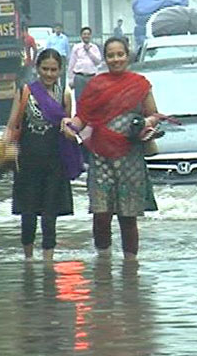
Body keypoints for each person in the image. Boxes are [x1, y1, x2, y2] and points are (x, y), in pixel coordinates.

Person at [61, 37, 159, 262]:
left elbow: (154, 114)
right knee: (101, 214)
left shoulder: (141, 84)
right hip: (100, 156)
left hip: (130, 157)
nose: (116, 59)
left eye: (120, 54)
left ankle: (130, 267)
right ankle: (103, 264)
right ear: (105, 59)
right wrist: (70, 127)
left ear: (128, 56)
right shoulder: (96, 85)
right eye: (111, 55)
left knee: (128, 215)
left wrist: (147, 123)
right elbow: (82, 117)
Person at [4, 48, 75, 261]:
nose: (49, 74)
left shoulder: (65, 95)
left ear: (60, 71)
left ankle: (48, 262)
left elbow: (69, 127)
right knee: (28, 214)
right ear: (37, 69)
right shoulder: (25, 91)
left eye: (54, 70)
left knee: (49, 215)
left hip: (54, 163)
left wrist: (70, 131)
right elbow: (12, 125)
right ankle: (28, 260)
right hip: (27, 162)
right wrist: (5, 155)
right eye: (45, 69)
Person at [67, 26, 102, 100]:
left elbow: (98, 61)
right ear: (81, 36)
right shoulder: (77, 47)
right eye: (84, 34)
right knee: (79, 99)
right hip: (79, 77)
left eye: (88, 34)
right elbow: (72, 63)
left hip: (91, 77)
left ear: (90, 36)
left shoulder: (94, 47)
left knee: (92, 99)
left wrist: (89, 51)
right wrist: (70, 79)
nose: (86, 36)